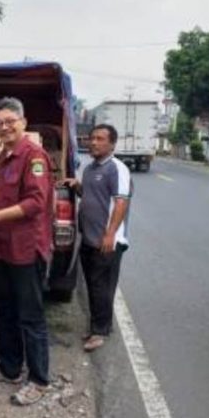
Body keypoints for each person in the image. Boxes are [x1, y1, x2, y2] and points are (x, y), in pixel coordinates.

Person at [0, 97, 54, 406]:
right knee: (5, 310)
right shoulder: (5, 158)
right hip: (3, 247)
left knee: (30, 316)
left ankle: (39, 380)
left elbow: (35, 203)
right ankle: (9, 368)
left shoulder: (34, 156)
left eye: (10, 121)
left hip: (26, 250)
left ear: (23, 122)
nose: (4, 127)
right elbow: (5, 202)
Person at [62, 124, 132, 352]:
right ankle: (97, 327)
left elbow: (121, 202)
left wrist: (110, 234)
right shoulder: (91, 169)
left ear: (112, 144)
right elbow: (91, 196)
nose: (93, 142)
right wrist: (77, 186)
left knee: (103, 287)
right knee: (92, 285)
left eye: (100, 139)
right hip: (89, 239)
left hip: (107, 242)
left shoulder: (117, 169)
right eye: (92, 138)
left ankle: (100, 332)